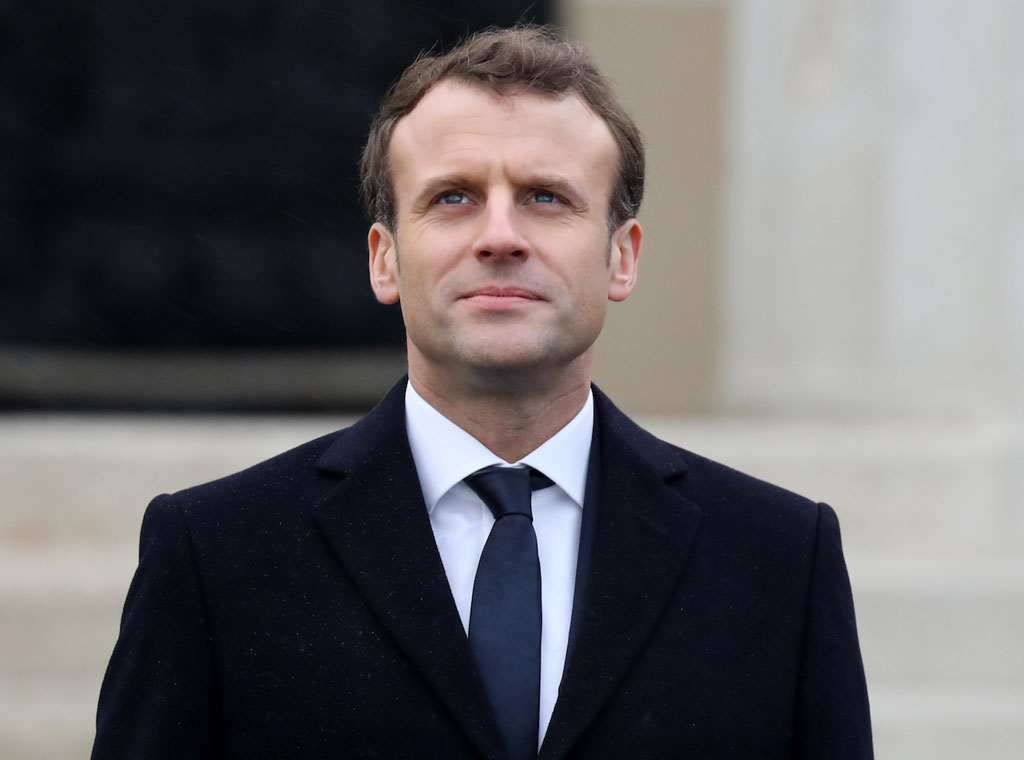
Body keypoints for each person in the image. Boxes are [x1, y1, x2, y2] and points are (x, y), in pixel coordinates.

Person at [92, 25, 873, 760]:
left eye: (546, 197)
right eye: (454, 198)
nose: (500, 236)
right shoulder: (217, 556)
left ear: (622, 258)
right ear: (385, 259)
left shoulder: (777, 561)